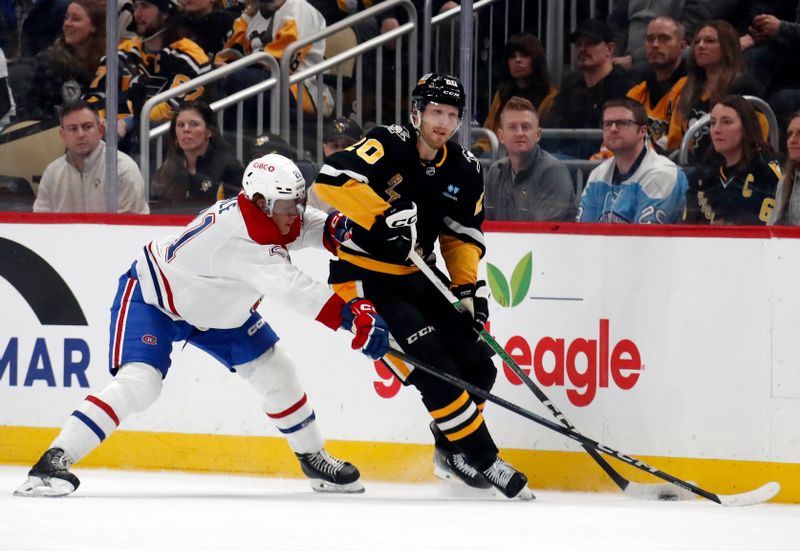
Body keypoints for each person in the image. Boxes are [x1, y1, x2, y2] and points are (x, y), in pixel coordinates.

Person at [16, 153, 390, 497]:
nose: (297, 210)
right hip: (155, 299)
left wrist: (341, 229)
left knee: (278, 370)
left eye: (298, 200)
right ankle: (52, 462)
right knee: (141, 383)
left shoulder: (269, 214)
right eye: (289, 204)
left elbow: (306, 226)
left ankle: (313, 459)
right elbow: (295, 290)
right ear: (260, 202)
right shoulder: (242, 238)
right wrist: (352, 316)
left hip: (218, 311)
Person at [313, 73, 533, 500]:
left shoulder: (465, 167)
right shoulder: (388, 142)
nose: (443, 122)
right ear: (417, 112)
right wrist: (381, 217)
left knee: (479, 366)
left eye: (451, 114)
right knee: (436, 369)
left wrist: (467, 291)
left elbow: (461, 234)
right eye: (435, 111)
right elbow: (331, 180)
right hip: (364, 282)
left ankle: (452, 453)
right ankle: (487, 460)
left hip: (418, 277)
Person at [85, 0, 210, 141]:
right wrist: (92, 120)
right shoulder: (124, 51)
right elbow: (97, 94)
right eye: (136, 6)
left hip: (164, 141)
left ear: (165, 12)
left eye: (145, 6)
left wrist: (128, 123)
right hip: (109, 134)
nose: (137, 13)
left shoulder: (189, 55)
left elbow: (175, 106)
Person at [577, 97, 687, 223]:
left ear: (642, 132)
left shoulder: (662, 174)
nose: (613, 129)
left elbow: (644, 239)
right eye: (607, 124)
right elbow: (583, 234)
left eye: (622, 123)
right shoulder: (598, 175)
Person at [32, 101, 149, 213]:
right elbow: (41, 225)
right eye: (72, 129)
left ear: (100, 130)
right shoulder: (52, 173)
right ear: (63, 135)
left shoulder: (123, 170)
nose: (80, 134)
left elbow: (131, 229)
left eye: (87, 127)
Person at [543, 19, 637, 159]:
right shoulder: (570, 87)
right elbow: (551, 128)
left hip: (603, 164)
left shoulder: (624, 87)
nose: (582, 49)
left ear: (610, 49)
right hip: (563, 161)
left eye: (591, 43)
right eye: (579, 44)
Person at [684, 94, 781, 225]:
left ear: (746, 127)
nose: (716, 129)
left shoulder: (767, 171)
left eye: (727, 122)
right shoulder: (704, 177)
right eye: (713, 123)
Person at [676, 20, 763, 164]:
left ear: (727, 47)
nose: (701, 46)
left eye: (710, 41)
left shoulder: (745, 86)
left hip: (730, 167)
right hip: (691, 166)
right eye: (697, 42)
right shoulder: (688, 87)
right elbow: (676, 138)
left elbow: (754, 138)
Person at [485, 96, 576, 221]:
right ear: (501, 136)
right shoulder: (495, 172)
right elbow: (486, 226)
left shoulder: (553, 172)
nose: (519, 133)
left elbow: (543, 234)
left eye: (526, 127)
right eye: (512, 127)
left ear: (538, 134)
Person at [16, 0, 105, 123]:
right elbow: (26, 108)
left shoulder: (108, 64)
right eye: (66, 18)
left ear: (94, 26)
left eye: (76, 19)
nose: (67, 24)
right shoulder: (47, 62)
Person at [151, 100, 243, 211]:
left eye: (194, 124)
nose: (186, 129)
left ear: (209, 131)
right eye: (180, 125)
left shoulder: (229, 168)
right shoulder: (167, 169)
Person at [479, 33, 557, 154]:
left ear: (536, 60)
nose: (518, 60)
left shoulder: (550, 96)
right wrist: (479, 148)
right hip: (498, 153)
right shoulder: (502, 95)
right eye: (512, 57)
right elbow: (488, 132)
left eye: (524, 55)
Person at [625, 16, 688, 155]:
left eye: (664, 39)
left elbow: (673, 144)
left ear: (682, 46)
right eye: (650, 39)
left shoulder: (690, 89)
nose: (655, 44)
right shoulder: (637, 92)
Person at [306, 117, 363, 214]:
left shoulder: (373, 180)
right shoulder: (316, 190)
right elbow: (309, 227)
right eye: (335, 146)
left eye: (348, 146)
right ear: (325, 149)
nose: (340, 152)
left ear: (361, 148)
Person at [769, 111, 800, 225]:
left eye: (799, 134)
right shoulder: (784, 181)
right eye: (789, 134)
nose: (792, 140)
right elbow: (771, 229)